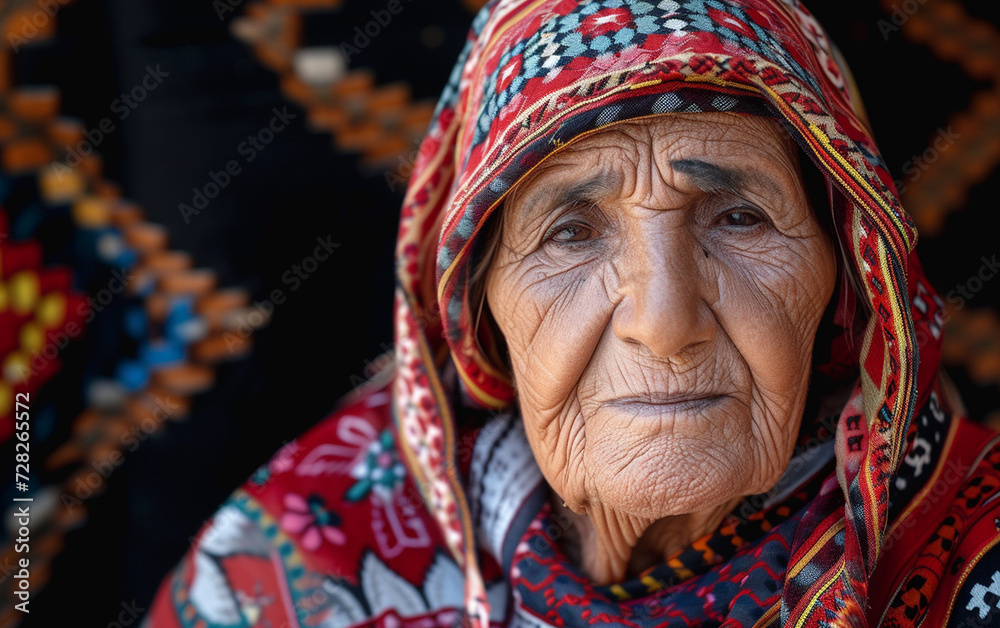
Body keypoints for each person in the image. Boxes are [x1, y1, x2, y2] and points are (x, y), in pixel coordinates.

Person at [146, 1, 1000, 626]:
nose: (664, 322)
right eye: (569, 233)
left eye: (738, 217)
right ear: (478, 308)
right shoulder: (310, 554)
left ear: (848, 278)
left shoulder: (972, 555)